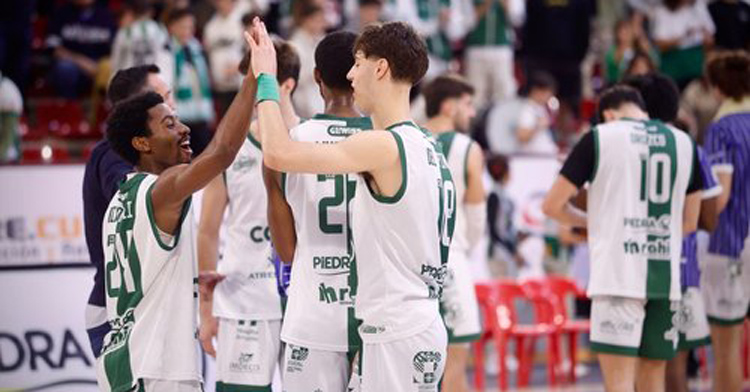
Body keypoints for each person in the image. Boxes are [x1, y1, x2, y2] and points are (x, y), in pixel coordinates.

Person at [247, 19, 455, 391]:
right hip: (413, 320)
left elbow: (277, 152)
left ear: (381, 68)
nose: (350, 74)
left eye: (357, 63)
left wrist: (265, 78)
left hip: (396, 327)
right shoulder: (427, 143)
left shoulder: (384, 146)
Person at [95, 55, 257, 391]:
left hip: (126, 363)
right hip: (160, 369)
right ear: (142, 143)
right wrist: (256, 77)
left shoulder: (120, 200)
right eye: (169, 125)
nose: (183, 128)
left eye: (178, 120)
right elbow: (223, 151)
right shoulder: (161, 190)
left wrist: (192, 280)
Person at [542, 85, 702, 392]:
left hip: (617, 276)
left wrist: (592, 223)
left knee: (618, 384)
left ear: (608, 114)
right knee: (653, 382)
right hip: (665, 280)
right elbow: (691, 222)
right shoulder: (683, 141)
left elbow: (551, 205)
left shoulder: (601, 137)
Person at [260, 30, 373, 391]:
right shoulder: (391, 141)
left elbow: (287, 251)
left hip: (312, 316)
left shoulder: (286, 145)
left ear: (316, 78)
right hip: (376, 317)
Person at [196, 38, 300, 391]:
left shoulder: (313, 142)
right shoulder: (227, 149)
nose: (252, 98)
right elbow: (207, 231)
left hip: (306, 301)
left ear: (287, 85)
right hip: (243, 298)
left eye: (257, 85)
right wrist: (205, 310)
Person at [623, 73, 720, 392]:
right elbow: (709, 216)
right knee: (672, 363)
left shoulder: (616, 146)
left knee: (629, 367)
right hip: (679, 269)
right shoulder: (687, 146)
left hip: (628, 267)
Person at [82, 64, 173, 359]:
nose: (172, 105)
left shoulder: (155, 155)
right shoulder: (112, 153)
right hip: (117, 310)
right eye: (164, 97)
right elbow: (130, 194)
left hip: (145, 303)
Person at [421, 73, 485, 392]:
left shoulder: (407, 138)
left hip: (410, 265)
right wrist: (461, 246)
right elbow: (476, 218)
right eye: (468, 105)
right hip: (452, 261)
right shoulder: (467, 148)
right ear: (448, 107)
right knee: (456, 359)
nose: (472, 113)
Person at [701, 50, 750, 392]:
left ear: (717, 88)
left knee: (727, 348)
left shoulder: (721, 130)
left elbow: (721, 195)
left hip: (731, 245)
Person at [167, 8, 215, 157]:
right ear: (172, 27)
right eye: (183, 27)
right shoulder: (166, 50)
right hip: (180, 113)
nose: (187, 31)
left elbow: (204, 81)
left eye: (190, 27)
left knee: (203, 157)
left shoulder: (196, 48)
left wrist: (210, 109)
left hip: (200, 111)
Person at [45, 0, 116, 98]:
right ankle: (69, 108)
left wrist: (102, 66)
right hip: (72, 63)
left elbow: (115, 48)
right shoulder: (62, 13)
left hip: (98, 65)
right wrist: (81, 62)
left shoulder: (106, 15)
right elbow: (53, 48)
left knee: (111, 68)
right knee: (65, 68)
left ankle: (105, 109)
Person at [203, 0, 251, 118]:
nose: (222, 4)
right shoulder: (210, 26)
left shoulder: (241, 22)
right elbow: (207, 54)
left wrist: (239, 66)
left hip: (241, 83)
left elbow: (249, 48)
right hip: (221, 86)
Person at [110, 0, 173, 86]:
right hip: (154, 82)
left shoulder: (125, 32)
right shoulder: (160, 30)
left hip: (129, 84)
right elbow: (167, 60)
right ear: (151, 12)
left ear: (132, 12)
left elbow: (115, 62)